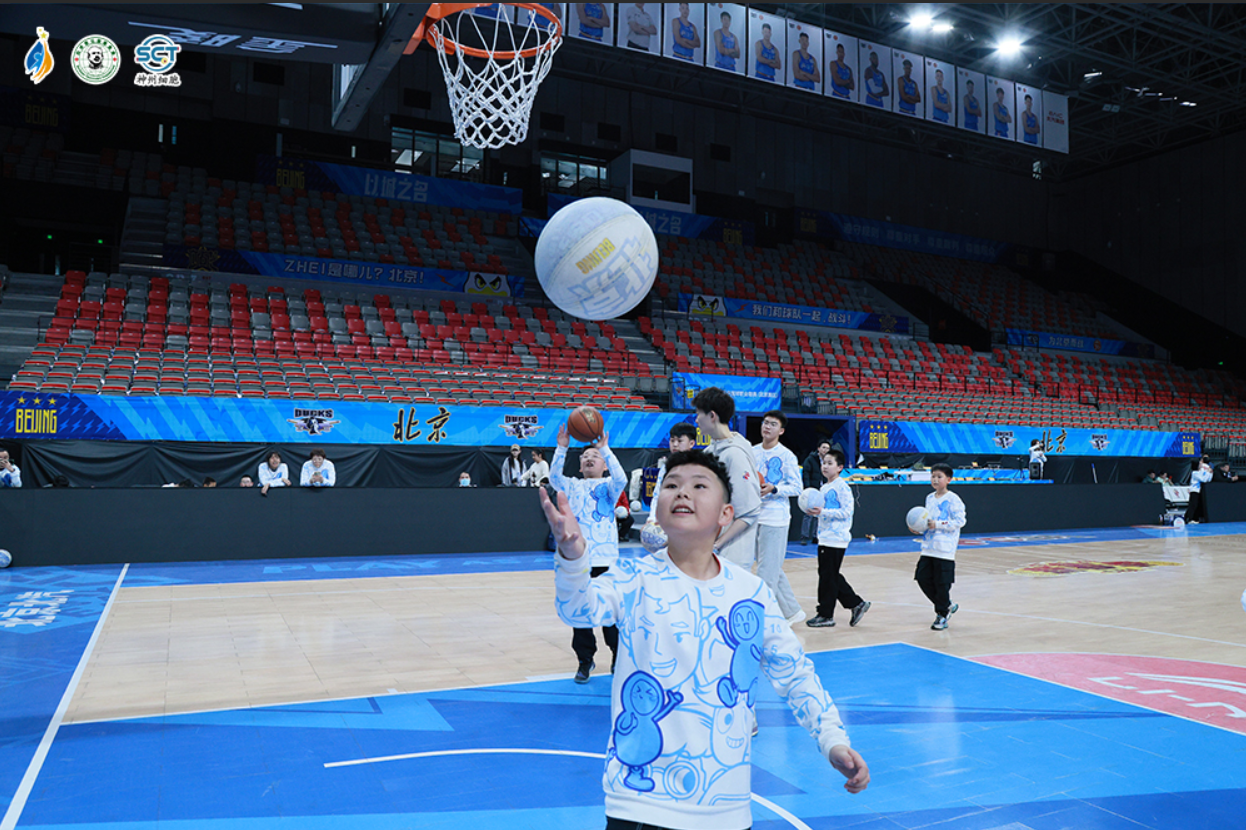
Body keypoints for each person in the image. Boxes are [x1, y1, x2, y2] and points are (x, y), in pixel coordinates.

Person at [539, 448, 870, 829]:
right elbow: (577, 610)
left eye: (699, 486)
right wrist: (572, 557)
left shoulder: (752, 592)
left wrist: (832, 738)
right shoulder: (633, 578)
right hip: (638, 802)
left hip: (724, 806)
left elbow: (795, 674)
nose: (682, 492)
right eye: (671, 485)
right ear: (657, 509)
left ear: (725, 514)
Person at [550, 421, 627, 683]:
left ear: (604, 464)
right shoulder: (571, 485)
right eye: (585, 457)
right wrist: (562, 448)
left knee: (611, 614)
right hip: (578, 560)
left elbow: (621, 478)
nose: (589, 458)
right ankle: (585, 660)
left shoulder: (609, 487)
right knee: (580, 613)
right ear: (580, 466)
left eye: (595, 456)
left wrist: (605, 449)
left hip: (606, 560)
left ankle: (618, 656)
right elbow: (554, 478)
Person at [692, 386, 762, 570]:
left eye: (699, 414)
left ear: (712, 416)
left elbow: (749, 511)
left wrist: (718, 543)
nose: (696, 419)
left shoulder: (735, 455)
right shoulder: (709, 452)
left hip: (732, 555)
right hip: (710, 552)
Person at [802, 448, 869, 629]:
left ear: (840, 467)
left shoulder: (842, 487)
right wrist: (815, 512)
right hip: (825, 537)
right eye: (824, 463)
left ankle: (826, 614)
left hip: (836, 538)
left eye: (830, 463)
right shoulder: (824, 487)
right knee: (829, 575)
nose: (825, 466)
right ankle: (856, 603)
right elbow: (824, 512)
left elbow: (846, 512)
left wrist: (823, 512)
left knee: (827, 577)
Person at [752, 410, 806, 625]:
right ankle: (792, 612)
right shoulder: (752, 452)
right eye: (765, 422)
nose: (767, 426)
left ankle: (766, 619)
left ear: (781, 431)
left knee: (767, 570)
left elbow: (797, 488)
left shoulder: (787, 456)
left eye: (773, 424)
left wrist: (774, 489)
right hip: (754, 515)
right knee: (770, 567)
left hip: (776, 517)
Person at [914, 463, 967, 630]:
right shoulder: (929, 498)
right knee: (922, 578)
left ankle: (942, 614)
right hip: (928, 547)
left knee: (942, 583)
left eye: (939, 476)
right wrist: (918, 527)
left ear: (949, 479)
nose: (935, 480)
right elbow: (926, 520)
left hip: (945, 550)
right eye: (933, 476)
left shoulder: (953, 499)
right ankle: (946, 605)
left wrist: (938, 524)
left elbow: (960, 521)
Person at [800, 440, 832, 544]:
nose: (825, 450)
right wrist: (807, 488)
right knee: (808, 513)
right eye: (823, 447)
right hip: (812, 489)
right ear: (818, 449)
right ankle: (804, 536)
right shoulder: (810, 459)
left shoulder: (828, 461)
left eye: (827, 448)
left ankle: (816, 536)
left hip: (822, 490)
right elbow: (806, 474)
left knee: (819, 514)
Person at [1184, 457, 1212, 524]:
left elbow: (1208, 479)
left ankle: (1195, 518)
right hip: (1194, 490)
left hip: (1199, 491)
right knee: (1193, 505)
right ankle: (1188, 518)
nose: (1201, 464)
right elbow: (1203, 479)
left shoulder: (1200, 471)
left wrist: (1210, 473)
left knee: (1197, 506)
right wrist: (1208, 473)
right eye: (1199, 463)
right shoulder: (1195, 473)